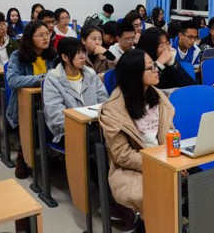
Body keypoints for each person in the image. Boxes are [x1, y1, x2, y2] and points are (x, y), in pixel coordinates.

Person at [99, 49, 175, 233]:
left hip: (165, 160)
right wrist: (158, 165)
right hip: (133, 168)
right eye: (151, 68)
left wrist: (176, 157)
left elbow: (170, 132)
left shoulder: (158, 97)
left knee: (200, 179)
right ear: (135, 74)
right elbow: (122, 155)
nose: (157, 70)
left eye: (155, 65)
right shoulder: (113, 109)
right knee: (152, 194)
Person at [6, 21, 56, 178]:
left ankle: (56, 153)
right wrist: (42, 79)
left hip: (50, 100)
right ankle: (23, 155)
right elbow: (13, 80)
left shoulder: (52, 55)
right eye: (40, 35)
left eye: (47, 34)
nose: (46, 38)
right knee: (35, 119)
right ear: (29, 38)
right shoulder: (17, 56)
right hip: (26, 104)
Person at [43, 38, 108, 144]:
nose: (83, 57)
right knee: (98, 139)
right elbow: (56, 116)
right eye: (78, 53)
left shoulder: (90, 74)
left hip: (96, 125)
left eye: (83, 52)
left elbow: (104, 100)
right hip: (68, 131)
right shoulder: (53, 80)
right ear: (64, 57)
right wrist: (83, 122)